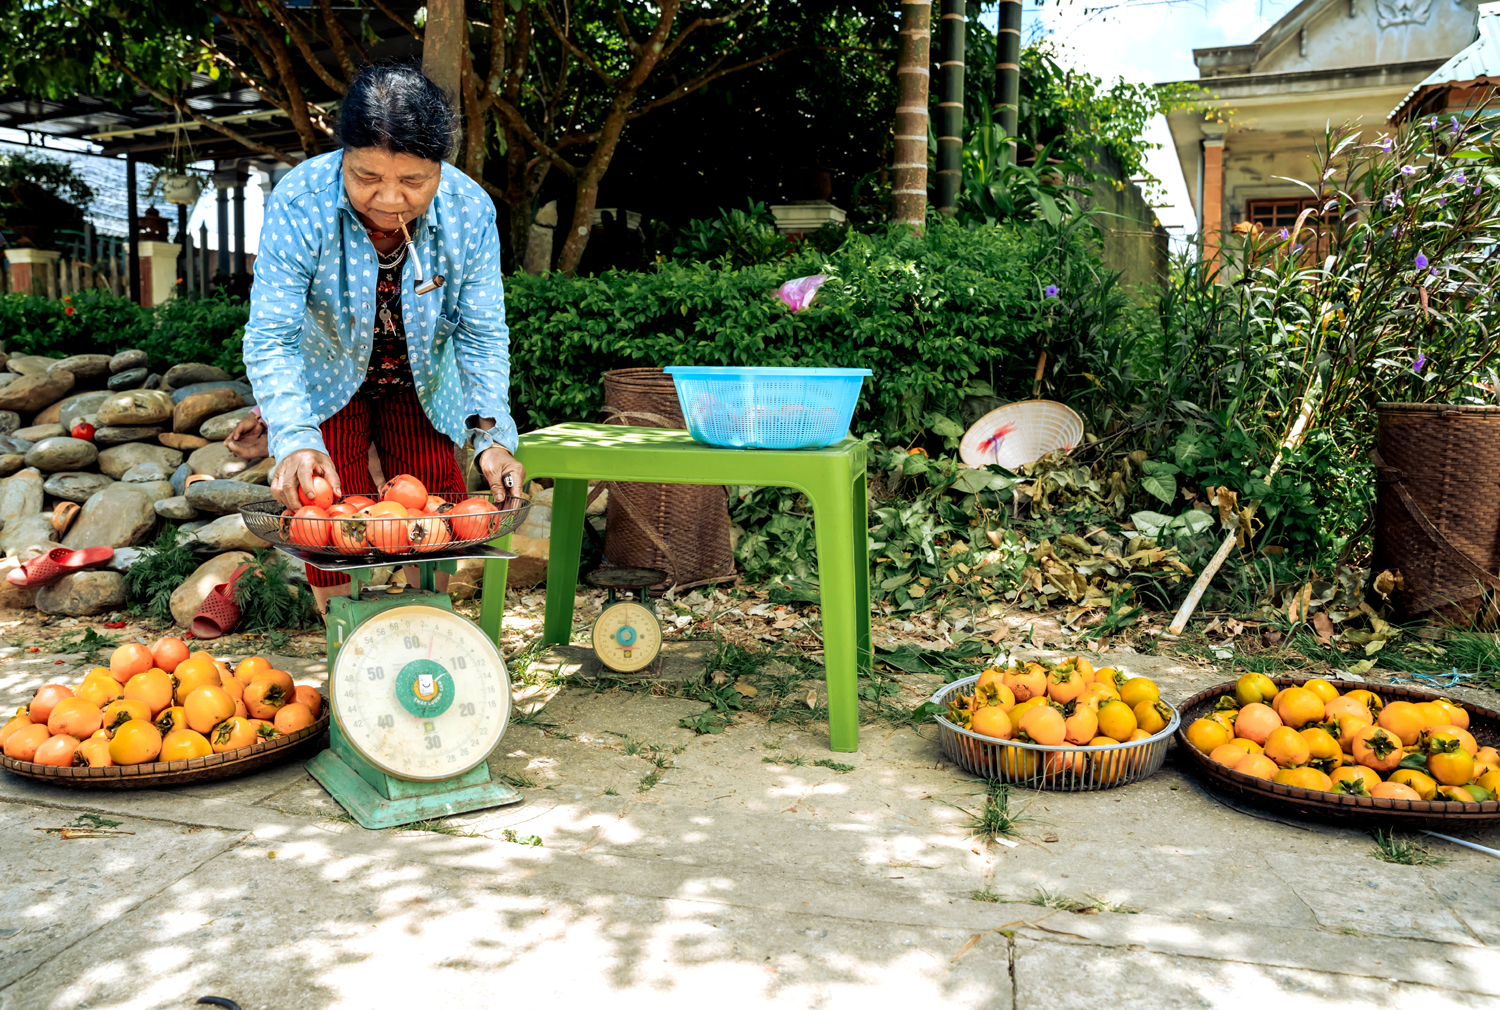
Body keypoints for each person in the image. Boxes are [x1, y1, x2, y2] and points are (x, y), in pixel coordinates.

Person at [241, 63, 524, 613]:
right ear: (342, 157)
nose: (390, 199)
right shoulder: (301, 202)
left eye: (413, 182)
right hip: (324, 381)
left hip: (426, 383)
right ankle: (342, 645)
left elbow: (481, 335)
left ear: (440, 169)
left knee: (431, 517)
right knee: (325, 520)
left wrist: (491, 440)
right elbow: (271, 334)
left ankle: (426, 639)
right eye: (366, 177)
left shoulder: (471, 210)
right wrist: (295, 436)